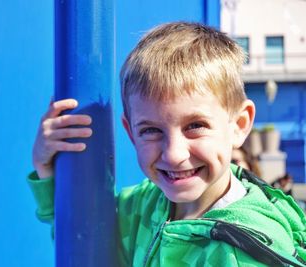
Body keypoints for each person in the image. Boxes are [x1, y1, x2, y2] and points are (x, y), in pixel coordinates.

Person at [28, 22, 306, 266]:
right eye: (151, 130)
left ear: (239, 125)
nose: (173, 155)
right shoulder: (145, 204)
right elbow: (84, 237)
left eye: (195, 126)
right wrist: (47, 167)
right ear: (130, 132)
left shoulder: (243, 253)